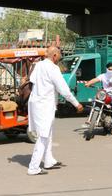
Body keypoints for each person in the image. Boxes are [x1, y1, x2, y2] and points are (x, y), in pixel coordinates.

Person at [27, 46, 84, 176]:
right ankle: (33, 167)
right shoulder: (53, 68)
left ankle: (48, 161)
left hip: (38, 102)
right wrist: (76, 103)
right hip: (44, 104)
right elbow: (63, 89)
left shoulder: (39, 65)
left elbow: (32, 80)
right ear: (54, 56)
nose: (60, 57)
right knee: (43, 136)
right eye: (59, 55)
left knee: (48, 133)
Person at [85, 63, 112, 136]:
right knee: (94, 103)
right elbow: (96, 79)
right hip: (104, 95)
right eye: (109, 69)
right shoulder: (103, 75)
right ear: (106, 69)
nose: (111, 70)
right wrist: (89, 83)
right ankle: (92, 119)